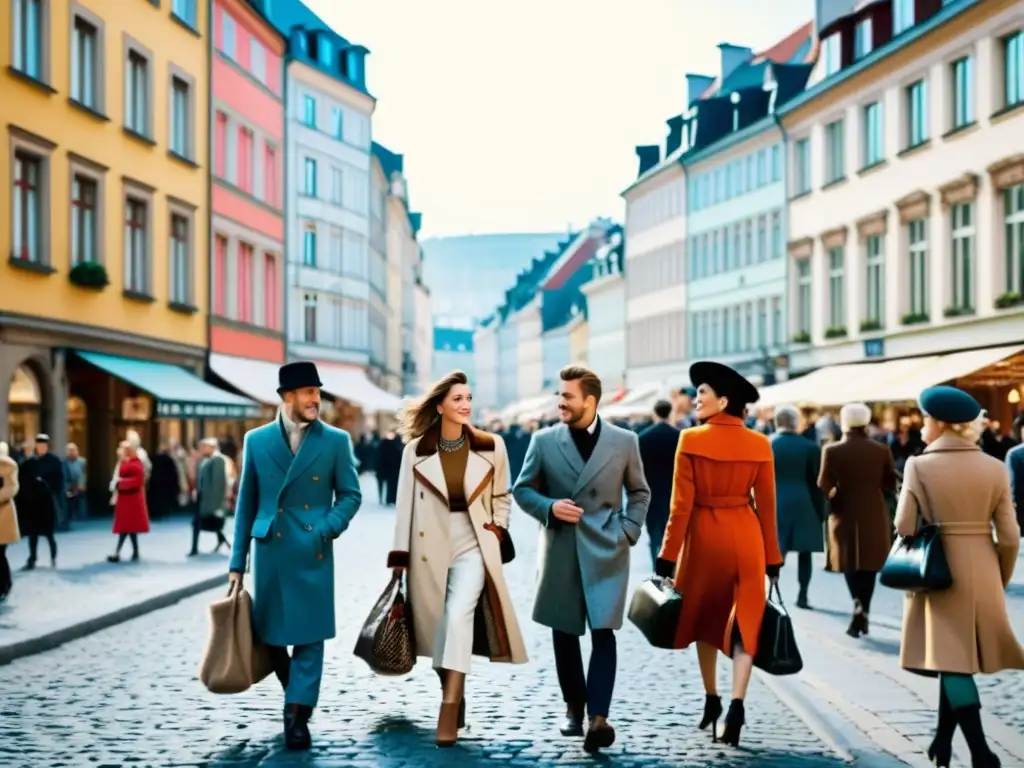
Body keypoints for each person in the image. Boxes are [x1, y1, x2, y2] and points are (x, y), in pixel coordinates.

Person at [386, 370, 527, 747]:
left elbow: (502, 495)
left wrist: (498, 528)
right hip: (426, 548)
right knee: (435, 631)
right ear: (440, 406)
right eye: (457, 399)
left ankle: (448, 706)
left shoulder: (491, 445)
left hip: (474, 544)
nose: (466, 405)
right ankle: (454, 685)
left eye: (468, 398)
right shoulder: (415, 450)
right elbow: (403, 508)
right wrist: (399, 557)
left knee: (458, 616)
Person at [513, 365, 650, 754]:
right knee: (565, 631)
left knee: (604, 631)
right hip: (562, 548)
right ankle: (574, 706)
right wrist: (550, 507)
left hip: (607, 548)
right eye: (559, 395)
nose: (560, 402)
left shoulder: (624, 441)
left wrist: (628, 530)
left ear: (590, 400)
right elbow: (522, 490)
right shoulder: (543, 440)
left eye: (567, 396)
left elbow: (640, 492)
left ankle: (599, 718)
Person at [228, 361, 362, 752]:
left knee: (310, 635)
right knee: (269, 635)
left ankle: (296, 716)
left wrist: (326, 528)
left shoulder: (335, 441)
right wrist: (238, 563)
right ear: (287, 397)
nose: (316, 400)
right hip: (270, 551)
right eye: (308, 393)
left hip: (312, 550)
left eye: (318, 393)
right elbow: (246, 504)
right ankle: (296, 691)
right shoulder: (256, 441)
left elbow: (351, 495)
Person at [895, 386, 1024, 768]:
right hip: (983, 565)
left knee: (951, 661)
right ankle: (942, 742)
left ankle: (982, 752)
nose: (921, 427)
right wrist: (998, 575)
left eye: (924, 420)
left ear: (937, 424)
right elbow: (1011, 535)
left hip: (938, 570)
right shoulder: (995, 467)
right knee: (954, 657)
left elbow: (903, 525)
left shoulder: (919, 466)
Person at [655, 361, 782, 748]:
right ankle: (737, 705)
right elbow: (768, 506)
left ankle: (711, 699)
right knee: (747, 620)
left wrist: (667, 556)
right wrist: (773, 557)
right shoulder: (760, 444)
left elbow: (680, 506)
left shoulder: (690, 439)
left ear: (723, 400)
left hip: (704, 537)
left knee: (705, 619)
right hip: (746, 536)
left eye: (702, 394)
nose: (695, 400)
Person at [818, 402, 897, 638]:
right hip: (873, 511)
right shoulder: (881, 450)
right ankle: (864, 609)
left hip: (844, 511)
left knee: (849, 563)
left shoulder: (831, 451)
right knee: (869, 566)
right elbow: (890, 484)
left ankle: (857, 604)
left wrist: (835, 494)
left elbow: (823, 484)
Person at [770, 404, 825, 609]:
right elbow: (816, 482)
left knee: (775, 551)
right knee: (805, 553)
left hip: (775, 503)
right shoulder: (810, 447)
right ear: (796, 423)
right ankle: (803, 595)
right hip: (804, 502)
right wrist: (821, 512)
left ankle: (771, 591)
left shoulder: (767, 444)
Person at [637, 399, 680, 567]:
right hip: (674, 491)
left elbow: (637, 469)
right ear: (670, 413)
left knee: (654, 532)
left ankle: (656, 565)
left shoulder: (643, 438)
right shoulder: (679, 437)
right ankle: (671, 564)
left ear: (654, 413)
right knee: (672, 531)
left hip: (651, 491)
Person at [16, 434, 64, 570]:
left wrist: (48, 486)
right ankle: (32, 558)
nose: (41, 447)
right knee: (33, 533)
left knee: (49, 533)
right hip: (32, 502)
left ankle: (53, 557)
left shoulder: (54, 461)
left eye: (44, 445)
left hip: (47, 501)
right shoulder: (30, 462)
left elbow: (59, 481)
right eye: (39, 445)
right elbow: (21, 479)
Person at [107, 441, 150, 562]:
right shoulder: (124, 462)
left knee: (126, 527)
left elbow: (138, 480)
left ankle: (117, 552)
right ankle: (134, 552)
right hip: (125, 498)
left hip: (132, 499)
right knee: (129, 528)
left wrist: (121, 483)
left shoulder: (136, 463)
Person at [190, 437, 230, 556]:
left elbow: (218, 484)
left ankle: (195, 548)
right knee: (207, 524)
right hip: (204, 498)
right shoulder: (207, 460)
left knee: (201, 523)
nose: (201, 449)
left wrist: (214, 505)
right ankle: (220, 541)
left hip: (209, 500)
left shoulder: (218, 460)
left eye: (204, 447)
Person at [0, 441, 20, 601]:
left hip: (3, 513)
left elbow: (11, 488)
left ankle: (5, 585)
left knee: (0, 553)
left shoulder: (7, 466)